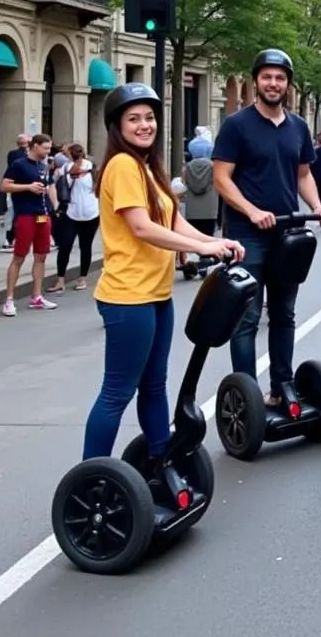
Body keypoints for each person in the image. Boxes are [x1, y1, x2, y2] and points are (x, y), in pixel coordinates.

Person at [82, 84, 243, 460]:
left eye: (150, 118)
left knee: (155, 386)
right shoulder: (122, 165)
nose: (144, 125)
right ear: (116, 126)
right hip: (128, 297)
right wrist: (203, 248)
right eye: (134, 119)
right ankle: (91, 480)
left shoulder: (146, 168)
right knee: (117, 392)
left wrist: (215, 241)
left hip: (155, 294)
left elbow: (171, 220)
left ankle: (160, 460)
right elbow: (141, 226)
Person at [212, 49, 321, 408]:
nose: (273, 83)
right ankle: (247, 394)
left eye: (280, 78)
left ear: (288, 85)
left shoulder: (298, 126)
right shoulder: (237, 125)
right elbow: (221, 178)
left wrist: (317, 206)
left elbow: (303, 174)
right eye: (267, 77)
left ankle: (282, 385)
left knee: (284, 313)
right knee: (247, 317)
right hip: (247, 234)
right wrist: (251, 211)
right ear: (256, 82)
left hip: (287, 233)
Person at [0, 133, 58, 316]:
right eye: (45, 148)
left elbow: (49, 186)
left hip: (43, 215)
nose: (48, 152)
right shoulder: (19, 165)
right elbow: (4, 186)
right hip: (25, 216)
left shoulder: (44, 166)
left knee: (41, 256)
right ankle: (9, 299)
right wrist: (27, 187)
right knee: (19, 257)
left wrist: (55, 206)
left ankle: (37, 296)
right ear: (35, 146)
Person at [48, 143, 100, 294]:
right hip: (74, 213)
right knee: (66, 245)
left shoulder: (92, 168)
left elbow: (53, 178)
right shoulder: (68, 168)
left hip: (90, 214)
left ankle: (74, 279)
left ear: (70, 155)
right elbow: (53, 179)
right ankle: (67, 279)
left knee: (83, 246)